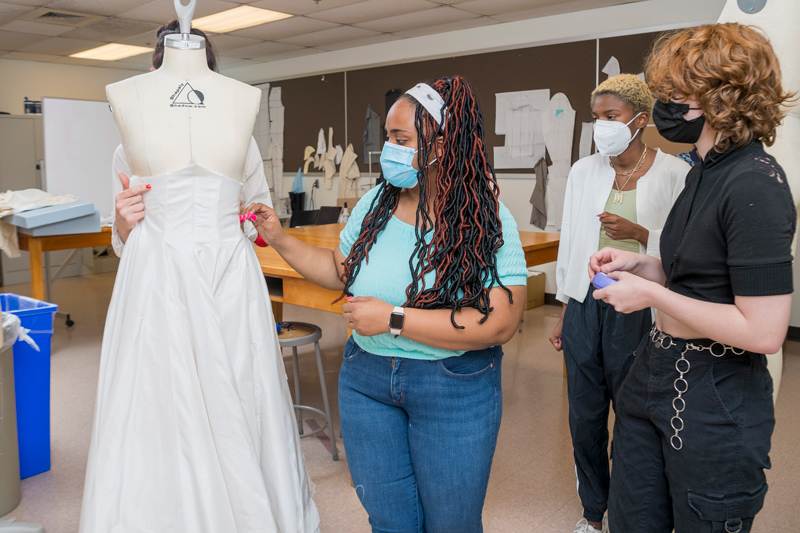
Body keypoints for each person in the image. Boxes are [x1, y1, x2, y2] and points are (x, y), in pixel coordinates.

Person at [245, 76, 528, 532]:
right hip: (367, 382)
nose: (389, 151)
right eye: (388, 139)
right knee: (390, 522)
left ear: (443, 145)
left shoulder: (486, 217)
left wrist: (393, 319)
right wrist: (277, 237)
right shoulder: (376, 203)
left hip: (452, 386)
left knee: (451, 524)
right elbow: (340, 269)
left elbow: (499, 323)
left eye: (402, 140)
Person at [80, 21, 319, 532]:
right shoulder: (131, 119)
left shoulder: (237, 115)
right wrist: (122, 220)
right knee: (160, 403)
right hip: (154, 278)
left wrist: (250, 221)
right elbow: (123, 241)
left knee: (238, 393)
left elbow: (256, 210)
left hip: (228, 278)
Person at [591, 23, 795, 532]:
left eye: (675, 91)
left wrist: (654, 293)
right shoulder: (703, 171)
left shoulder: (756, 183)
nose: (665, 101)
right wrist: (643, 266)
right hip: (654, 374)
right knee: (633, 518)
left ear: (718, 96)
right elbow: (698, 275)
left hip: (714, 397)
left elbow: (763, 331)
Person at [548, 73, 689, 533]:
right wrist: (565, 310)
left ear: (641, 119)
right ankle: (593, 512)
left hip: (640, 309)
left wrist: (640, 235)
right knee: (584, 416)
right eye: (597, 117)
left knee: (634, 417)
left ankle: (630, 514)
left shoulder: (674, 173)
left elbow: (686, 252)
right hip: (588, 306)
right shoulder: (584, 171)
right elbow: (571, 243)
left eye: (612, 116)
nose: (601, 125)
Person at [112, 20, 271, 251]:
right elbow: (123, 248)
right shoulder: (127, 149)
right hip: (155, 268)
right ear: (150, 79)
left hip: (225, 263)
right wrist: (123, 223)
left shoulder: (241, 140)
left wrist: (238, 215)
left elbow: (265, 234)